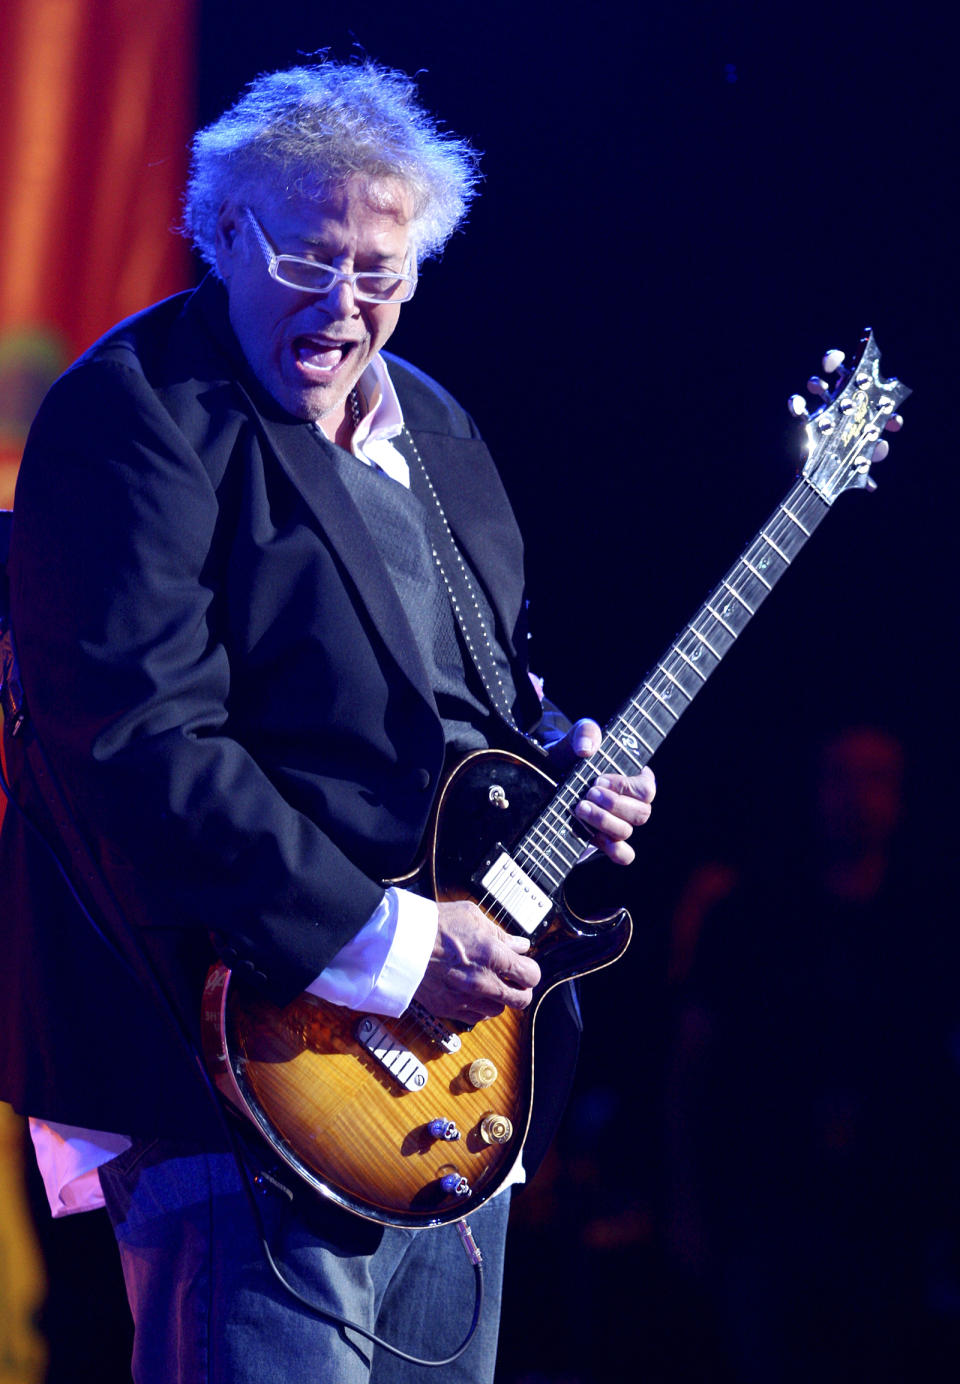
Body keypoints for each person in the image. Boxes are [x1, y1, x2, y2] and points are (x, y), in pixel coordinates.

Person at [0, 59, 655, 1384]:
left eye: (381, 268)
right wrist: (394, 944)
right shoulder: (132, 419)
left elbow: (473, 706)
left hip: (444, 1076)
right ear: (223, 231)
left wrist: (561, 769)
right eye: (310, 256)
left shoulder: (442, 431)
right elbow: (140, 748)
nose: (346, 304)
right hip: (235, 1070)